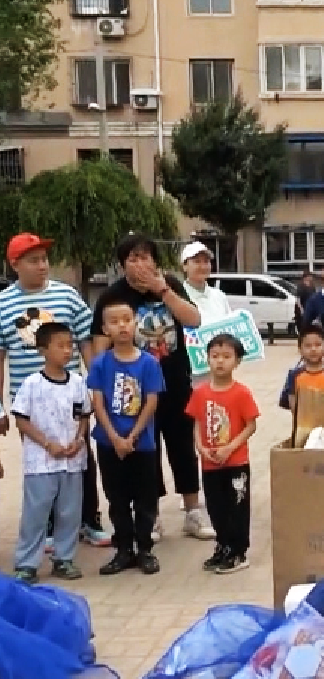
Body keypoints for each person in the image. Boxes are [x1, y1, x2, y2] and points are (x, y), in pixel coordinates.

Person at [91, 233, 206, 543]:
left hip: (175, 379)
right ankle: (149, 515)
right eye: (132, 258)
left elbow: (194, 319)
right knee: (146, 450)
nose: (140, 263)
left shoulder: (169, 285)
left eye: (145, 257)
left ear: (155, 261)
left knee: (182, 444)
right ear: (122, 265)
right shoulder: (112, 296)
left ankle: (193, 511)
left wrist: (163, 290)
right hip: (133, 388)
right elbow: (99, 345)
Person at [1, 233, 109, 547]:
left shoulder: (67, 296)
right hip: (30, 403)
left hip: (69, 397)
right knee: (41, 464)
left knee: (80, 458)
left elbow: (86, 343)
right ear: (15, 264)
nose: (42, 265)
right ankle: (47, 527)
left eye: (44, 259)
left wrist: (96, 388)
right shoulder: (4, 303)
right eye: (33, 260)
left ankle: (88, 520)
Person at [89, 300, 166, 576]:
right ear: (105, 329)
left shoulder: (149, 363)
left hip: (142, 444)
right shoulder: (100, 364)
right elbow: (97, 403)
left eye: (127, 319)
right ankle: (124, 550)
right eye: (114, 321)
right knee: (116, 498)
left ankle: (144, 549)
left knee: (146, 499)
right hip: (109, 444)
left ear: (136, 323)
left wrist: (131, 437)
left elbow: (151, 401)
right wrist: (114, 437)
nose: (122, 325)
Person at [11, 323, 91, 583]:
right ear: (43, 350)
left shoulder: (78, 383)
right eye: (60, 346)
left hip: (72, 461)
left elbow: (83, 416)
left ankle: (64, 559)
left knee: (69, 512)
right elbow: (22, 420)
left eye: (70, 345)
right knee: (36, 512)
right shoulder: (32, 384)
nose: (67, 351)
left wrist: (79, 440)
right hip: (41, 463)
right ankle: (27, 563)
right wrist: (47, 443)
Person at [185, 334, 259, 575]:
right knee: (216, 507)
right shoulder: (200, 392)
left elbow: (251, 425)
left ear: (237, 361)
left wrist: (230, 447)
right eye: (215, 356)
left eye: (227, 357)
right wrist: (200, 447)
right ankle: (223, 546)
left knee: (236, 507)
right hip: (210, 463)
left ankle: (238, 551)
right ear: (206, 359)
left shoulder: (241, 393)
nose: (220, 362)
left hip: (236, 462)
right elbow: (196, 422)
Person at [279, 326, 324, 410]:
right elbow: (292, 403)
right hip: (302, 421)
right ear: (300, 349)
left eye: (318, 345)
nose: (313, 349)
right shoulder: (294, 374)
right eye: (308, 346)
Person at [179, 241, 233, 326]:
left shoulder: (220, 296)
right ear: (184, 266)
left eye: (206, 261)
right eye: (197, 261)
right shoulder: (178, 297)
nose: (203, 266)